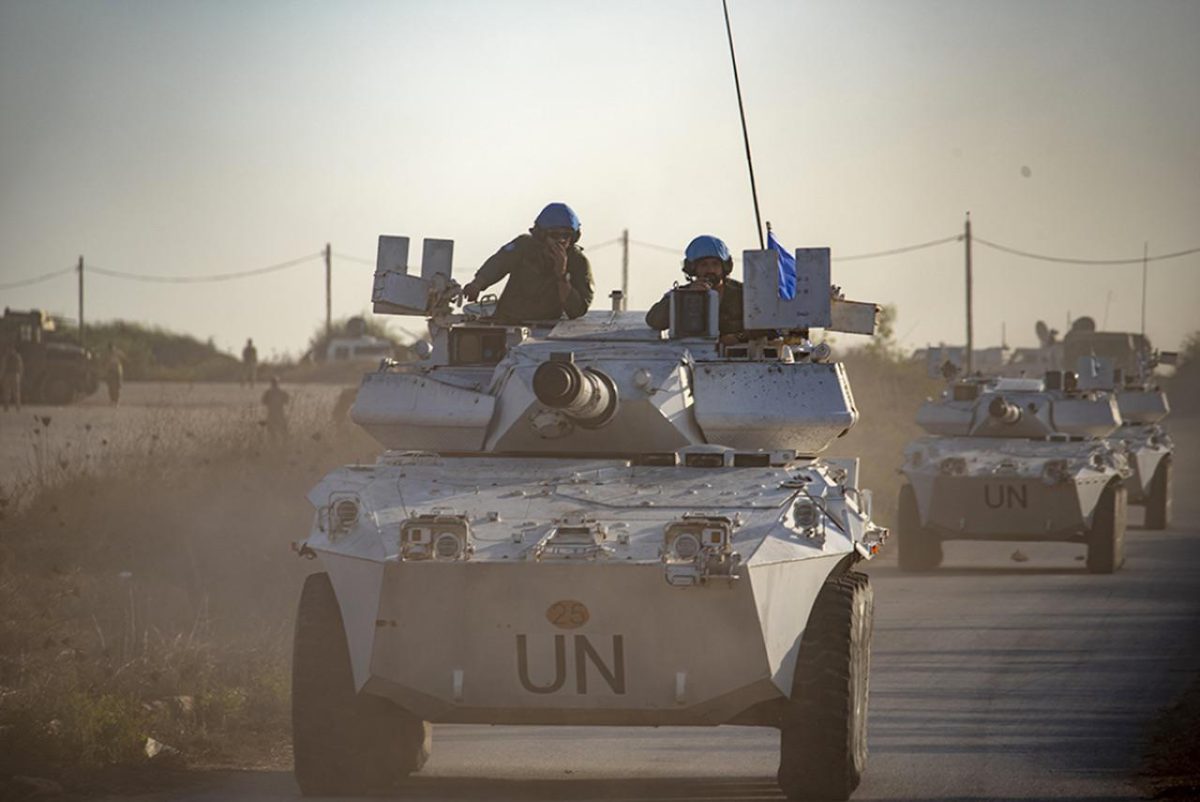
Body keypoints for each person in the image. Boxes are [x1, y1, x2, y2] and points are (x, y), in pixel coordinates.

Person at [462, 203, 594, 323]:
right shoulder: (523, 247)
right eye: (554, 235)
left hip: (546, 329)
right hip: (508, 322)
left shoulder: (578, 263)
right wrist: (477, 284)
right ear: (541, 236)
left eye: (566, 236)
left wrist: (562, 276)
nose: (561, 241)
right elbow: (498, 263)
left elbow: (577, 310)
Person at [646, 235, 763, 344]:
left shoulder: (745, 294)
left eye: (715, 264)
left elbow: (770, 328)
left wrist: (739, 337)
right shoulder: (681, 294)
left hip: (738, 360)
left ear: (724, 267)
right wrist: (686, 298)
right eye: (704, 265)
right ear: (693, 269)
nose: (710, 270)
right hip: (694, 356)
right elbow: (654, 320)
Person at [261, 376, 290, 443]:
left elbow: (263, 402)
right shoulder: (282, 392)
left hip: (271, 414)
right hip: (280, 414)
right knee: (284, 432)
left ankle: (274, 445)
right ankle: (285, 445)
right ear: (278, 383)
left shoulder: (268, 392)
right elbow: (287, 401)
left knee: (272, 433)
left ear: (271, 383)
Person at [1, 342, 23, 412]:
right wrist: (20, 376)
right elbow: (21, 367)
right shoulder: (18, 356)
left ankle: (6, 408)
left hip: (7, 375)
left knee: (7, 392)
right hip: (16, 375)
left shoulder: (5, 356)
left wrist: (1, 376)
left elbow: (3, 367)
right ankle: (18, 408)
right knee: (16, 392)